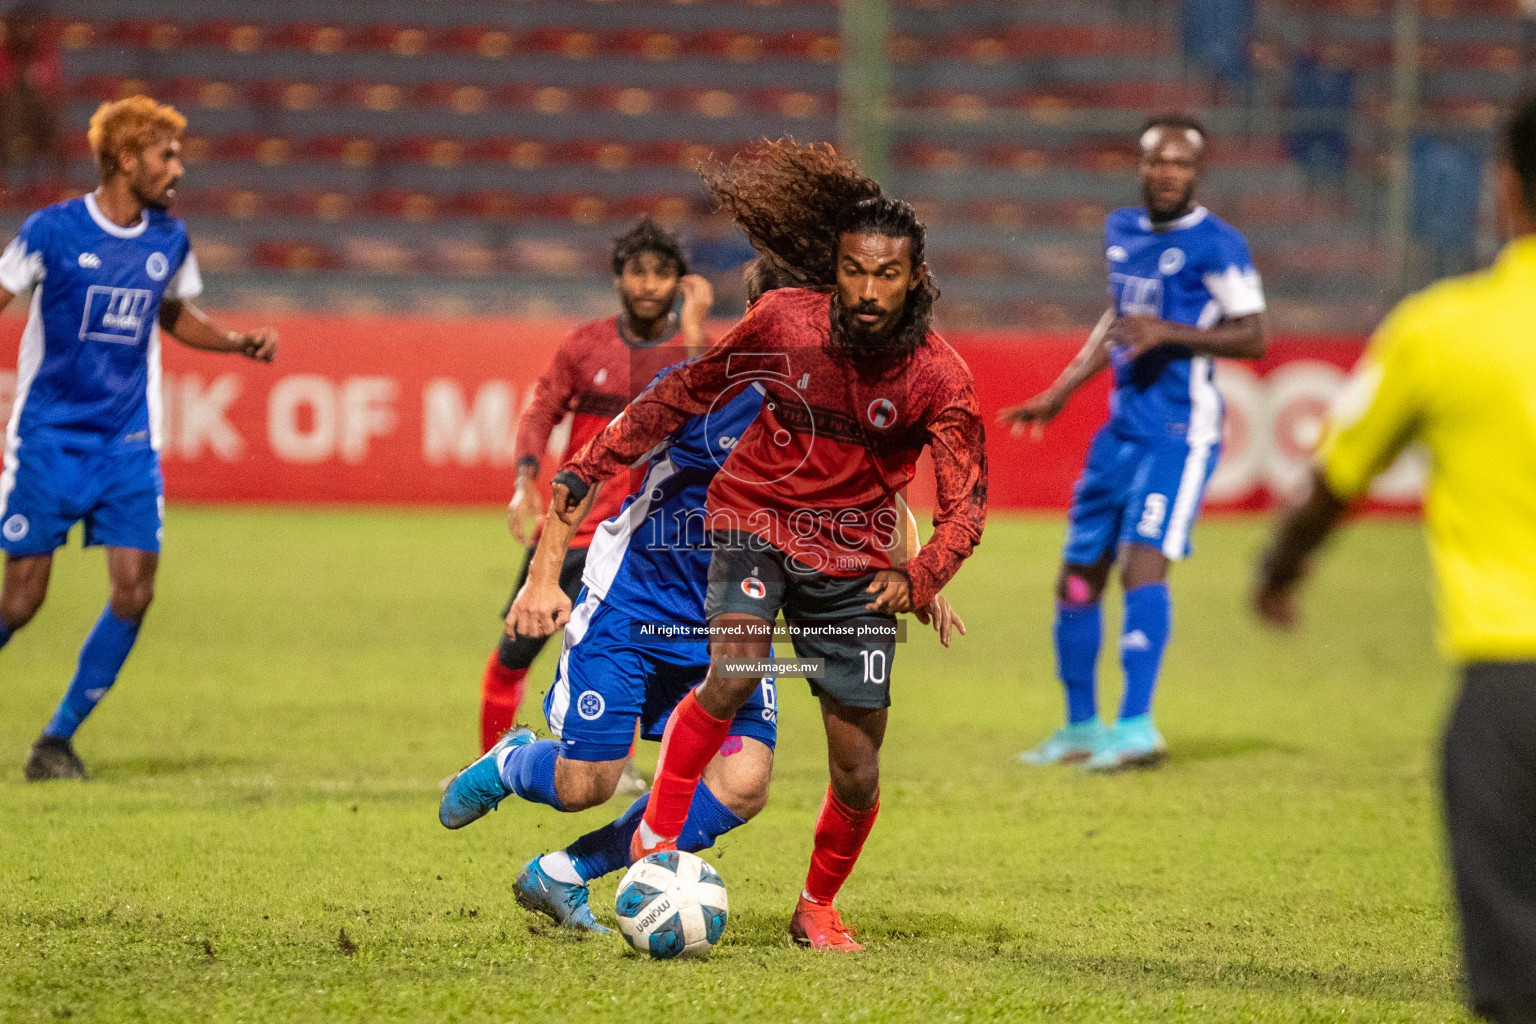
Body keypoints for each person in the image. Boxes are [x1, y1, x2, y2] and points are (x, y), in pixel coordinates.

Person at [439, 258, 965, 937]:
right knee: (586, 784)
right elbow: (583, 472)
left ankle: (566, 872)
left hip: (733, 620)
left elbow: (882, 497)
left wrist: (919, 574)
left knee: (744, 785)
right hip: (634, 607)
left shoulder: (836, 403)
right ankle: (512, 761)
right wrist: (542, 579)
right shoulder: (696, 392)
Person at [549, 141, 988, 950]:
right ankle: (655, 847)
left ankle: (816, 906)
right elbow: (681, 393)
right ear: (834, 266)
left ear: (916, 278)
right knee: (733, 671)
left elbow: (968, 506)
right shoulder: (786, 322)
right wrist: (586, 467)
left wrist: (922, 576)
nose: (865, 289)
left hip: (852, 560)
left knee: (857, 764)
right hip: (754, 522)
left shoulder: (939, 379)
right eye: (852, 269)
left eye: (885, 274)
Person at [1253, 96, 1536, 1024]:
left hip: (1512, 693)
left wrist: (1279, 573)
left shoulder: (1444, 328)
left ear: (1504, 187)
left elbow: (1335, 481)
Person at [0, 96, 278, 780]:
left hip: (126, 445)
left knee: (135, 589)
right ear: (126, 160)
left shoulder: (168, 240)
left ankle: (56, 739)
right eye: (166, 155)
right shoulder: (52, 231)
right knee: (22, 600)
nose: (178, 168)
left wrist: (236, 343)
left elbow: (175, 316)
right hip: (49, 440)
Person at [1001, 114, 1267, 772]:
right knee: (1077, 576)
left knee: (1142, 564)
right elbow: (1119, 320)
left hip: (1180, 431)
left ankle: (1139, 724)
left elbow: (1254, 334)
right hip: (1120, 430)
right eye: (1156, 162)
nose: (1166, 174)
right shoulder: (1120, 230)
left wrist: (1170, 333)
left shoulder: (1219, 245)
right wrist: (1061, 389)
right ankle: (1082, 726)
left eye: (1180, 164)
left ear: (1197, 173)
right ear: (1140, 166)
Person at [479, 218, 712, 760]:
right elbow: (540, 410)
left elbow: (709, 415)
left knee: (640, 656)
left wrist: (697, 333)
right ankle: (489, 759)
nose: (649, 284)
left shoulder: (696, 350)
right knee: (515, 652)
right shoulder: (585, 346)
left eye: (662, 273)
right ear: (618, 279)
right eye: (638, 272)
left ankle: (618, 764)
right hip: (573, 528)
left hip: (645, 541)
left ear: (680, 281)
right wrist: (524, 480)